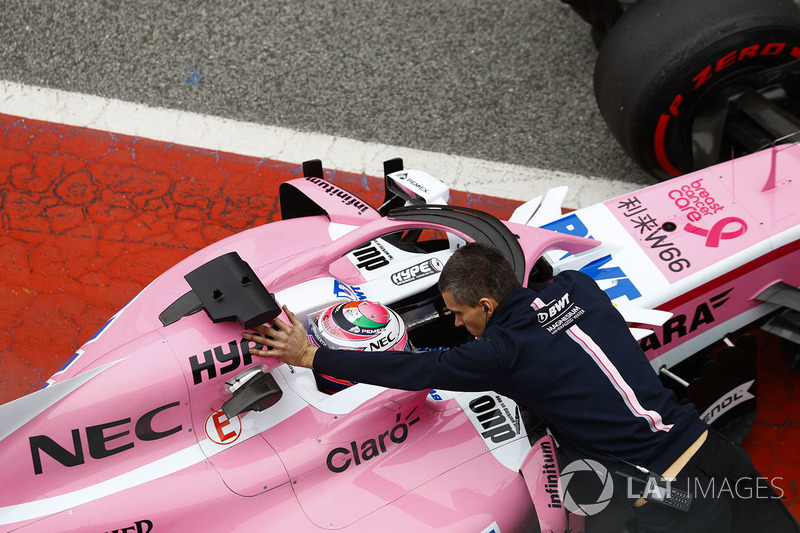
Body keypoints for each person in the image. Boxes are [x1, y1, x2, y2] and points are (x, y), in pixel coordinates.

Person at [242, 242, 799, 532]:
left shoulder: (503, 354)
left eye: (460, 315)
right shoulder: (580, 286)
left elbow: (418, 371)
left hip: (670, 498)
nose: (457, 326)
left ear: (487, 304)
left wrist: (312, 355)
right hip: (716, 455)